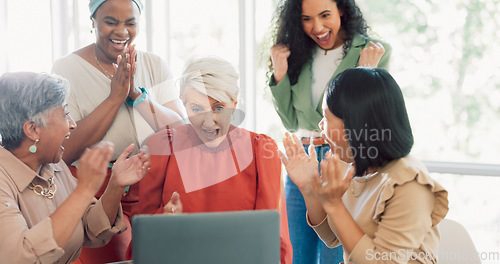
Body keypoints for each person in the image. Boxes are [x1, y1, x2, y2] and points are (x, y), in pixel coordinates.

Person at [51, 0, 184, 262]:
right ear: (93, 22)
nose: (121, 31)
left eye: (130, 23)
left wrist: (136, 95)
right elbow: (63, 150)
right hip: (97, 194)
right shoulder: (66, 69)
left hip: (153, 189)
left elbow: (181, 132)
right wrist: (115, 98)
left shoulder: (154, 64)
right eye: (111, 22)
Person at [279, 67, 449, 263]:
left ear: (354, 124)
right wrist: (309, 187)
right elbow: (332, 237)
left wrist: (334, 205)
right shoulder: (350, 165)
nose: (320, 125)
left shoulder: (410, 184)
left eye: (326, 117)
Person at [134, 56, 293, 263]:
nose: (208, 122)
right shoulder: (161, 147)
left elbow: (273, 240)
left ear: (234, 105)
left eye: (219, 108)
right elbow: (142, 237)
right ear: (184, 104)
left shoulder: (261, 151)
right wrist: (163, 220)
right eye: (197, 109)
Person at [268, 0, 391, 262]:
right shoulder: (298, 52)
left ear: (342, 10)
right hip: (303, 159)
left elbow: (370, 119)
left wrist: (365, 73)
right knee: (295, 253)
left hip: (343, 160)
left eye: (325, 15)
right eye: (307, 19)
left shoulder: (373, 51)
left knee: (335, 252)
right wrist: (279, 75)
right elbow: (290, 121)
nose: (318, 27)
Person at [0, 72, 150, 263]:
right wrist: (85, 189)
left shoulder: (53, 165)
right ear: (32, 129)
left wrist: (115, 185)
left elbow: (91, 228)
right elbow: (20, 258)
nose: (72, 125)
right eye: (65, 114)